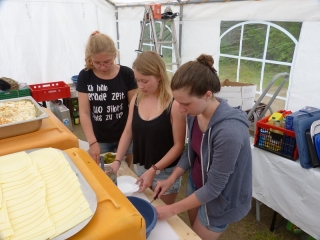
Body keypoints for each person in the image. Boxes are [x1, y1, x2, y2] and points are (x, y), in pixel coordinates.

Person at [153, 54, 252, 240]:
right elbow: (192, 151)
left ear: (208, 95)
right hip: (196, 184)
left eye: (185, 103)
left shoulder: (229, 132)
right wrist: (171, 178)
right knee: (193, 230)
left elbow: (214, 188)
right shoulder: (194, 113)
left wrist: (172, 209)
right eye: (178, 102)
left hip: (219, 200)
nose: (180, 109)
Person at [111, 51, 186, 205]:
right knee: (143, 205)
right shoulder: (137, 99)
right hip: (141, 167)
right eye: (137, 80)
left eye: (145, 81)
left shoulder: (174, 104)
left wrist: (154, 169)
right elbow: (127, 132)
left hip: (165, 172)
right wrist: (117, 160)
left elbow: (179, 146)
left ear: (159, 75)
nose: (140, 86)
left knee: (160, 211)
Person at [76, 31, 137, 166]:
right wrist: (92, 142)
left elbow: (134, 109)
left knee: (125, 171)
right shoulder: (85, 76)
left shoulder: (126, 74)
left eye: (107, 62)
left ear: (114, 55)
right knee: (102, 172)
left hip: (125, 136)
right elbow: (84, 112)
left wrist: (130, 136)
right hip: (99, 139)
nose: (102, 67)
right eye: (97, 62)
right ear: (90, 58)